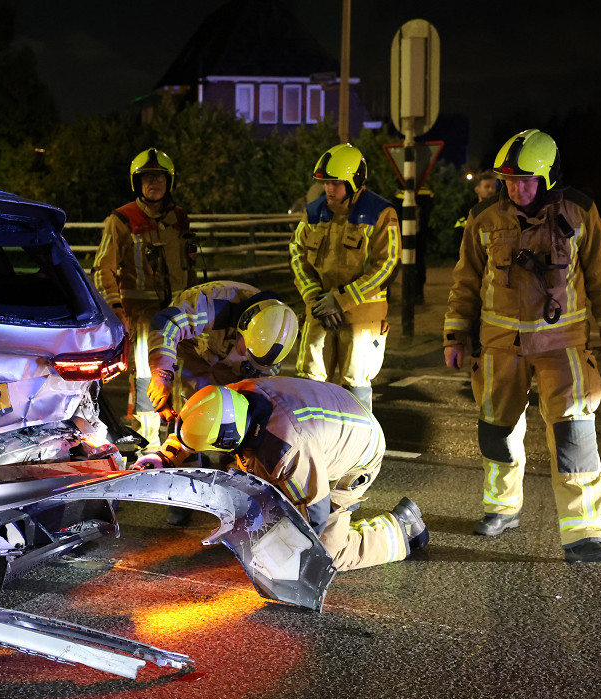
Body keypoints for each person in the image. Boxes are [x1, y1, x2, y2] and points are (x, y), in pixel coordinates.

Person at [444, 128, 601, 563]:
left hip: (562, 344)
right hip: (498, 346)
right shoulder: (485, 217)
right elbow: (466, 280)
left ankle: (584, 532)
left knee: (574, 433)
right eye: (508, 181)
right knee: (496, 429)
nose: (516, 189)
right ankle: (502, 507)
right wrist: (455, 335)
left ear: (548, 178)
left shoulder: (580, 212)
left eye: (526, 180)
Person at [133, 379, 429, 571]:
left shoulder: (287, 448)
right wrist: (163, 456)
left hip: (357, 454)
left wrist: (289, 554)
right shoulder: (231, 399)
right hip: (333, 422)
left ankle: (402, 530)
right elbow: (192, 433)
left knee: (329, 555)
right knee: (254, 480)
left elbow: (315, 511)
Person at [145, 280, 299, 525]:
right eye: (244, 347)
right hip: (192, 351)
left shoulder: (271, 340)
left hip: (232, 367)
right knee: (188, 413)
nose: (244, 353)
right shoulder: (210, 304)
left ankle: (233, 488)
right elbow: (166, 324)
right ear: (243, 326)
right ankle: (182, 490)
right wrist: (162, 373)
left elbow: (261, 395)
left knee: (239, 416)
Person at [93, 147, 197, 453]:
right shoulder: (122, 220)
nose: (154, 184)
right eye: (148, 178)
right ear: (137, 183)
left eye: (160, 178)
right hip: (142, 316)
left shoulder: (179, 218)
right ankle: (147, 437)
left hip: (178, 315)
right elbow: (103, 267)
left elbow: (189, 268)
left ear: (170, 182)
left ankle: (182, 433)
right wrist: (115, 307)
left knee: (180, 372)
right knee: (145, 376)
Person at [290, 143, 401, 412]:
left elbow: (386, 265)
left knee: (355, 389)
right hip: (318, 312)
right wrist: (315, 298)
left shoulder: (381, 214)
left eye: (336, 183)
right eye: (326, 183)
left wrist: (341, 300)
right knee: (310, 384)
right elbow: (297, 255)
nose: (329, 189)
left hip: (361, 318)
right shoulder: (314, 212)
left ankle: (359, 449)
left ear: (355, 182)